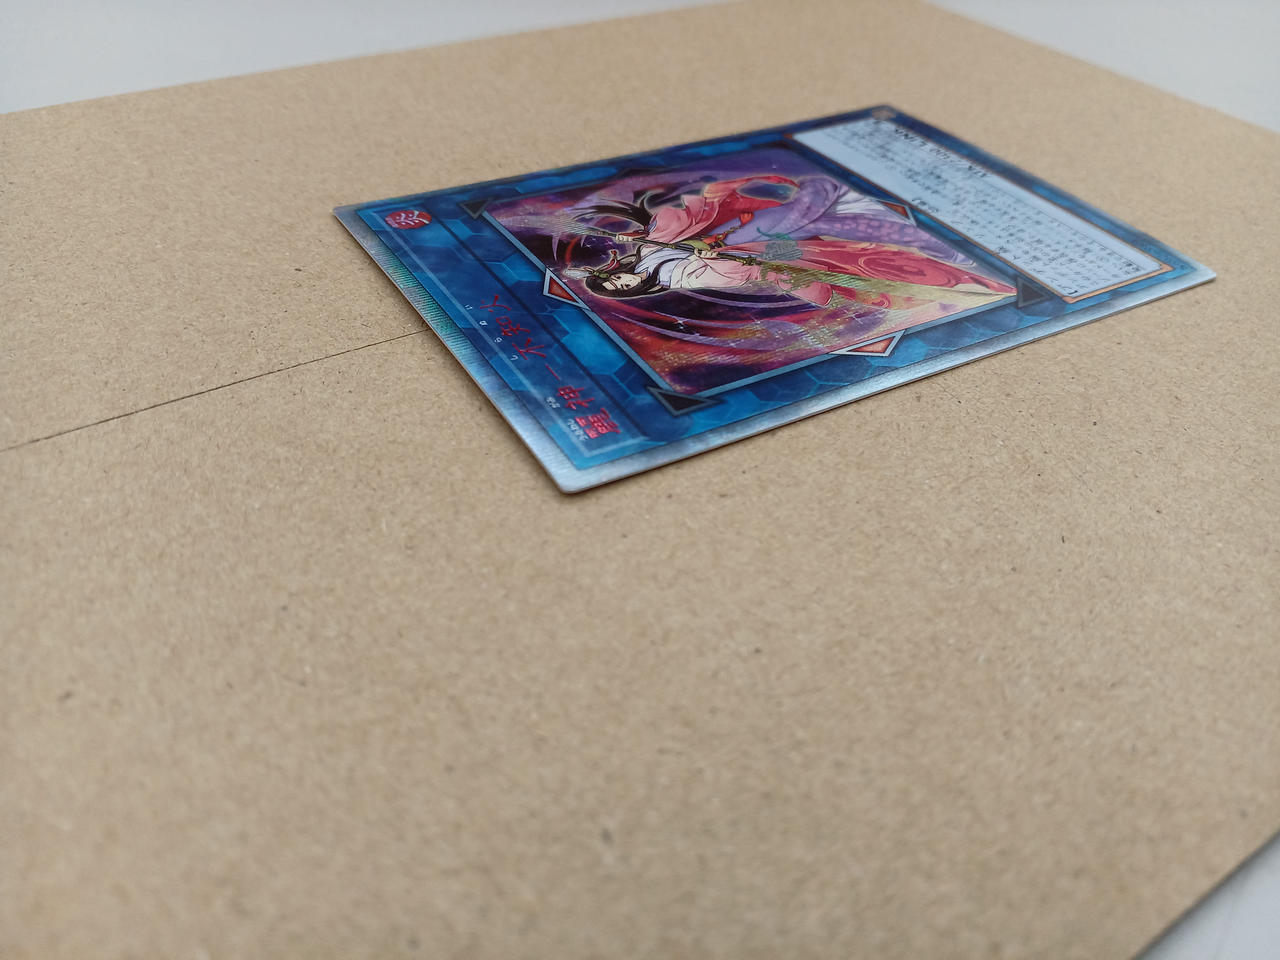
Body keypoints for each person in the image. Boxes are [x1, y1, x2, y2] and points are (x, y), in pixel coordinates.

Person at [572, 175, 1014, 307]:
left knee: (824, 224)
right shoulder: (679, 279)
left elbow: (672, 222)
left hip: (744, 231)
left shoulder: (645, 252)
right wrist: (703, 256)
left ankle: (824, 193)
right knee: (830, 238)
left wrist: (656, 236)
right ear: (631, 291)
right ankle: (825, 193)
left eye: (613, 280)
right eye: (619, 289)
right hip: (762, 253)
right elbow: (733, 275)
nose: (622, 282)